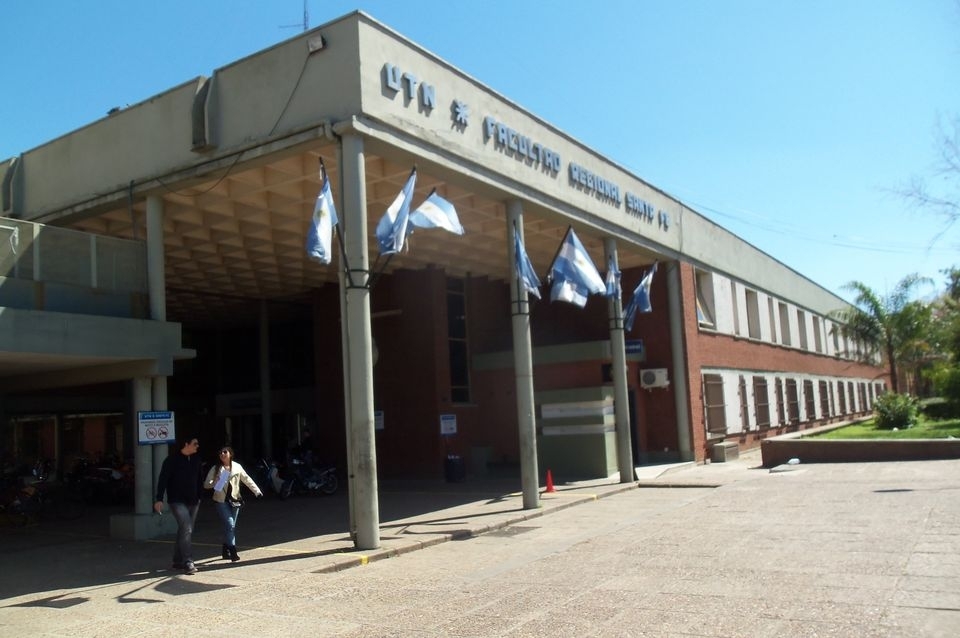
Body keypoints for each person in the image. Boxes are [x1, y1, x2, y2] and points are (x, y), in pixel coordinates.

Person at [154, 436, 204, 575]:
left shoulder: (196, 459)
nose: (197, 446)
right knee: (187, 528)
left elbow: (199, 479)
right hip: (177, 500)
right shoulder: (171, 460)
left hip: (194, 500)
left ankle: (177, 560)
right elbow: (163, 479)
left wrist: (200, 496)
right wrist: (159, 499)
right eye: (195, 443)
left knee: (184, 530)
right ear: (186, 444)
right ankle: (188, 561)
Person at [204, 445, 263, 562]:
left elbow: (247, 479)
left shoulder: (237, 466)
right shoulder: (216, 468)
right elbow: (206, 484)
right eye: (220, 453)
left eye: (225, 452)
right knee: (230, 525)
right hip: (221, 500)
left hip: (235, 500)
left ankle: (225, 549)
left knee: (230, 527)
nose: (222, 454)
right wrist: (214, 482)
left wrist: (257, 491)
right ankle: (233, 551)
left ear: (230, 454)